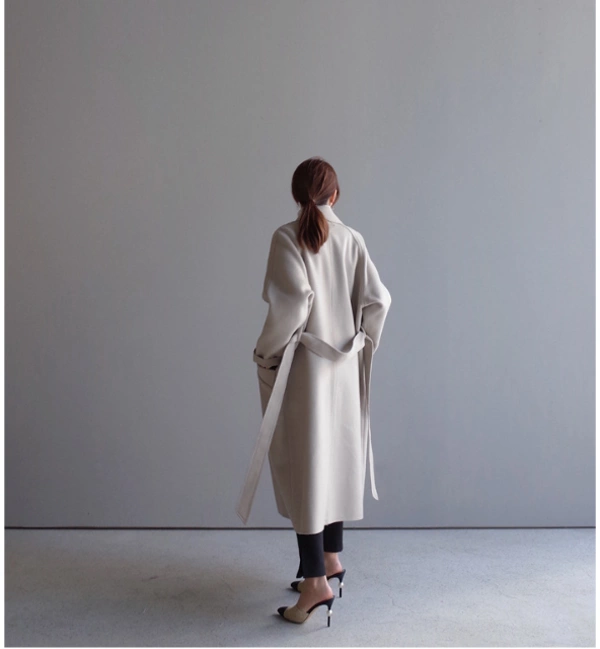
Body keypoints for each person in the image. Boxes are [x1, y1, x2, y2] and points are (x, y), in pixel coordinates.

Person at [236, 156, 392, 626]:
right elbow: (379, 300)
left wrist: (266, 353)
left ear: (296, 195)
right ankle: (330, 560)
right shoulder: (352, 239)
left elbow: (291, 306)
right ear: (335, 195)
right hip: (343, 370)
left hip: (306, 370)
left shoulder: (287, 237)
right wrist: (362, 343)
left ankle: (314, 584)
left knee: (307, 469)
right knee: (335, 463)